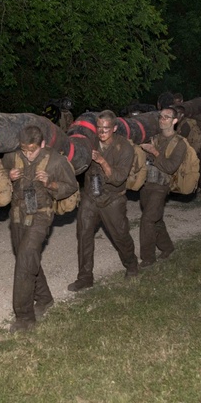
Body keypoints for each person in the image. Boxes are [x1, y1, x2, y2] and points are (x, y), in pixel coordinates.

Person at [3, 125, 78, 331]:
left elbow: (71, 186)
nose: (27, 154)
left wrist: (51, 184)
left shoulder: (55, 161)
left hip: (41, 215)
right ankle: (44, 298)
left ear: (42, 144)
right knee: (26, 258)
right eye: (24, 150)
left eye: (32, 150)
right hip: (17, 214)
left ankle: (24, 317)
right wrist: (8, 177)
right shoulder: (13, 157)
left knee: (26, 258)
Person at [69, 110, 139, 291]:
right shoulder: (91, 142)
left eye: (106, 129)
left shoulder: (124, 147)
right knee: (83, 235)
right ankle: (85, 277)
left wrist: (102, 161)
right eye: (98, 128)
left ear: (114, 128)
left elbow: (118, 178)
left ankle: (131, 265)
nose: (101, 132)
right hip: (91, 196)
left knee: (120, 235)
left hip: (112, 198)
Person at [138, 107, 186, 268]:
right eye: (161, 116)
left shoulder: (179, 143)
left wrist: (154, 152)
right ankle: (167, 247)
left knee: (147, 220)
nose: (162, 119)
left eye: (167, 117)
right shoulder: (154, 138)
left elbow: (171, 167)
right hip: (146, 185)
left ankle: (148, 257)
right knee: (155, 218)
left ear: (174, 121)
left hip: (161, 186)